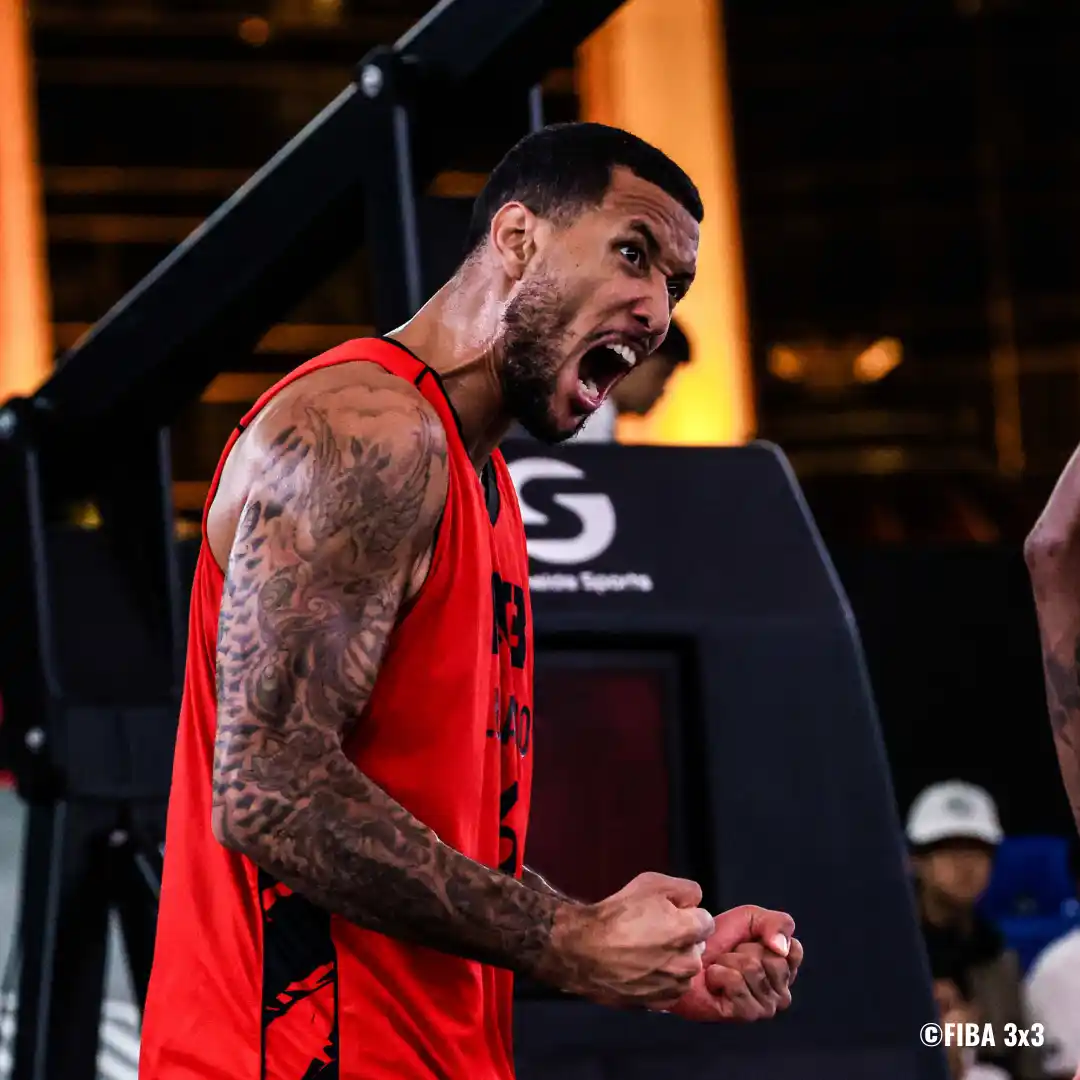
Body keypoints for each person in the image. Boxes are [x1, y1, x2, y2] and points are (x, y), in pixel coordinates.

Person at [138, 122, 803, 1080]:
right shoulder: (367, 432)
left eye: (675, 285)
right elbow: (269, 792)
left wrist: (623, 950)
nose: (657, 310)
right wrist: (567, 939)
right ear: (517, 237)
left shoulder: (479, 479)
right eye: (633, 253)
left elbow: (429, 840)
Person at [907, 781, 1045, 1080]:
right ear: (916, 860)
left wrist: (973, 1030)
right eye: (949, 851)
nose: (966, 866)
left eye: (978, 851)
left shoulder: (996, 953)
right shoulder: (889, 950)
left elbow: (1021, 1050)